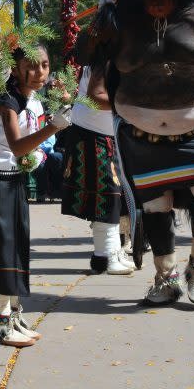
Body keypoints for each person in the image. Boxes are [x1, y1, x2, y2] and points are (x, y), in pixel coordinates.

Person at [0, 44, 70, 347]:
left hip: (13, 179)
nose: (40, 73)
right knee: (0, 249)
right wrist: (53, 127)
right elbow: (18, 146)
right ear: (15, 67)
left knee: (15, 247)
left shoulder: (31, 97)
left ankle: (11, 315)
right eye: (32, 66)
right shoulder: (6, 99)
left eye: (45, 65)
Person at [61, 63, 135, 275]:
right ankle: (108, 256)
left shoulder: (111, 58)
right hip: (92, 136)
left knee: (111, 196)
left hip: (102, 135)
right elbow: (95, 97)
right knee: (106, 196)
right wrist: (129, 104)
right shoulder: (105, 60)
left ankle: (106, 254)